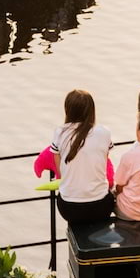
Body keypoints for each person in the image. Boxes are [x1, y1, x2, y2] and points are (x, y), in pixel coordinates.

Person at [41, 88, 113, 230]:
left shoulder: (60, 132)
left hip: (69, 208)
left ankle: (77, 244)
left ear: (67, 110)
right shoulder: (104, 132)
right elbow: (103, 162)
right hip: (101, 205)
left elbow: (60, 173)